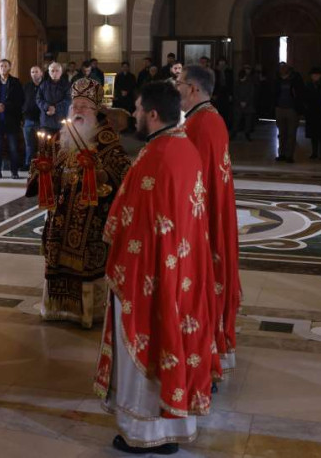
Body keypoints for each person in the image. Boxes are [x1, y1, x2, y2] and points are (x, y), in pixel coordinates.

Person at [95, 81, 216, 454]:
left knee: (147, 341)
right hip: (183, 270)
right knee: (175, 340)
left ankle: (145, 433)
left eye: (135, 109)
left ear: (152, 114)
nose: (132, 115)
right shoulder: (185, 148)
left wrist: (120, 266)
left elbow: (133, 223)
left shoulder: (156, 155)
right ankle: (174, 427)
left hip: (149, 274)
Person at [28, 78, 130, 328]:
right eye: (75, 105)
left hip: (92, 217)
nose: (78, 110)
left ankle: (87, 313)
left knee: (86, 262)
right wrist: (41, 171)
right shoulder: (61, 137)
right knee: (57, 259)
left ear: (96, 110)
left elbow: (123, 173)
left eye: (85, 105)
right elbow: (45, 169)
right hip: (61, 215)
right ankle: (57, 308)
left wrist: (99, 172)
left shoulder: (106, 138)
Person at [176, 65, 241, 373]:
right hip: (213, 216)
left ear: (193, 88)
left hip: (204, 222)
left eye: (179, 83)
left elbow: (192, 180)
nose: (175, 88)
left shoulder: (201, 124)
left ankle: (205, 348)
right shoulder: (207, 118)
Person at [273, 63, 304, 163]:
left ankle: (289, 155)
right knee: (282, 133)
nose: (282, 71)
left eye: (284, 69)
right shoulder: (277, 80)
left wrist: (298, 107)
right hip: (280, 108)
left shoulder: (295, 79)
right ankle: (281, 154)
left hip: (292, 109)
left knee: (291, 133)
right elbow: (273, 92)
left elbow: (300, 93)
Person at [303, 68, 321, 161]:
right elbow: (305, 97)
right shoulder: (308, 85)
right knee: (313, 134)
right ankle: (314, 153)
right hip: (311, 112)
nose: (315, 77)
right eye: (313, 75)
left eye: (317, 75)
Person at [36, 61, 72, 134]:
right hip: (46, 121)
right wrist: (47, 107)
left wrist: (55, 108)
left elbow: (68, 100)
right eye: (52, 71)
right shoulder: (43, 85)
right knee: (45, 144)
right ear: (49, 72)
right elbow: (38, 99)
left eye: (57, 71)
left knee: (61, 144)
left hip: (61, 121)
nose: (54, 73)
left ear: (61, 72)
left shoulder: (66, 85)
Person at [23, 65, 43, 169]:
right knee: (29, 145)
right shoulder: (27, 86)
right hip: (28, 120)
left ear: (41, 73)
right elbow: (22, 101)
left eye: (36, 72)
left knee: (42, 145)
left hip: (42, 120)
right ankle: (28, 164)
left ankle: (42, 164)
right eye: (32, 72)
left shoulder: (45, 85)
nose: (34, 74)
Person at [231, 64, 256, 141]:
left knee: (248, 121)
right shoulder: (236, 83)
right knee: (236, 120)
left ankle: (247, 134)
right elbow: (235, 93)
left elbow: (251, 94)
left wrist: (246, 102)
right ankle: (234, 133)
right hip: (238, 104)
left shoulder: (250, 83)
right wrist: (240, 102)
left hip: (248, 104)